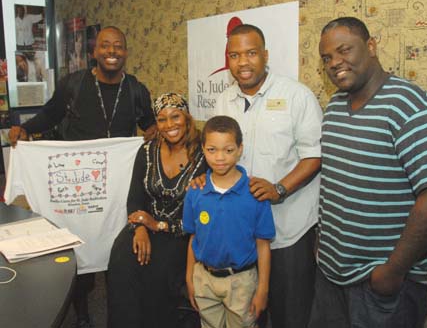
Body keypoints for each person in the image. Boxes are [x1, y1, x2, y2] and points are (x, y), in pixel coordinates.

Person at [309, 16, 427, 328]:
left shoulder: (410, 105)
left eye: (344, 50)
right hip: (331, 277)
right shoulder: (335, 106)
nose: (335, 62)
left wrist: (393, 270)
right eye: (327, 57)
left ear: (371, 46)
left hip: (382, 286)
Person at [8, 26, 156, 328]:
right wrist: (25, 130)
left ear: (126, 53)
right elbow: (50, 114)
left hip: (118, 184)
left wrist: (163, 138)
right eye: (105, 46)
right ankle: (83, 314)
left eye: (118, 46)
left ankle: (118, 312)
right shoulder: (73, 85)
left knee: (116, 247)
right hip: (79, 184)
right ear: (94, 52)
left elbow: (150, 125)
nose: (111, 51)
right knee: (79, 244)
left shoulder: (136, 90)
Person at [205, 24, 323, 328]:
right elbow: (219, 156)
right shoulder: (223, 102)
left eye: (251, 53)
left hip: (288, 232)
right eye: (235, 55)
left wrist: (280, 189)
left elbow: (314, 156)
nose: (243, 62)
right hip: (242, 234)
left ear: (265, 55)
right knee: (247, 315)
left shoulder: (297, 96)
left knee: (289, 316)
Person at [107, 93, 207, 328]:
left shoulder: (205, 155)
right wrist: (140, 228)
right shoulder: (147, 151)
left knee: (156, 273)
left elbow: (203, 217)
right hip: (143, 227)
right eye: (162, 119)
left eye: (175, 116)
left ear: (187, 117)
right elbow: (134, 199)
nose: (169, 125)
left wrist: (160, 226)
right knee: (122, 261)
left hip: (180, 234)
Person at [184, 115, 276, 328]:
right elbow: (193, 237)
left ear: (240, 149)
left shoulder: (255, 193)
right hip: (203, 278)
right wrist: (190, 278)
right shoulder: (195, 191)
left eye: (228, 150)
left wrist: (263, 290)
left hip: (242, 281)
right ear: (203, 149)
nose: (220, 158)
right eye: (212, 150)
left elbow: (263, 245)